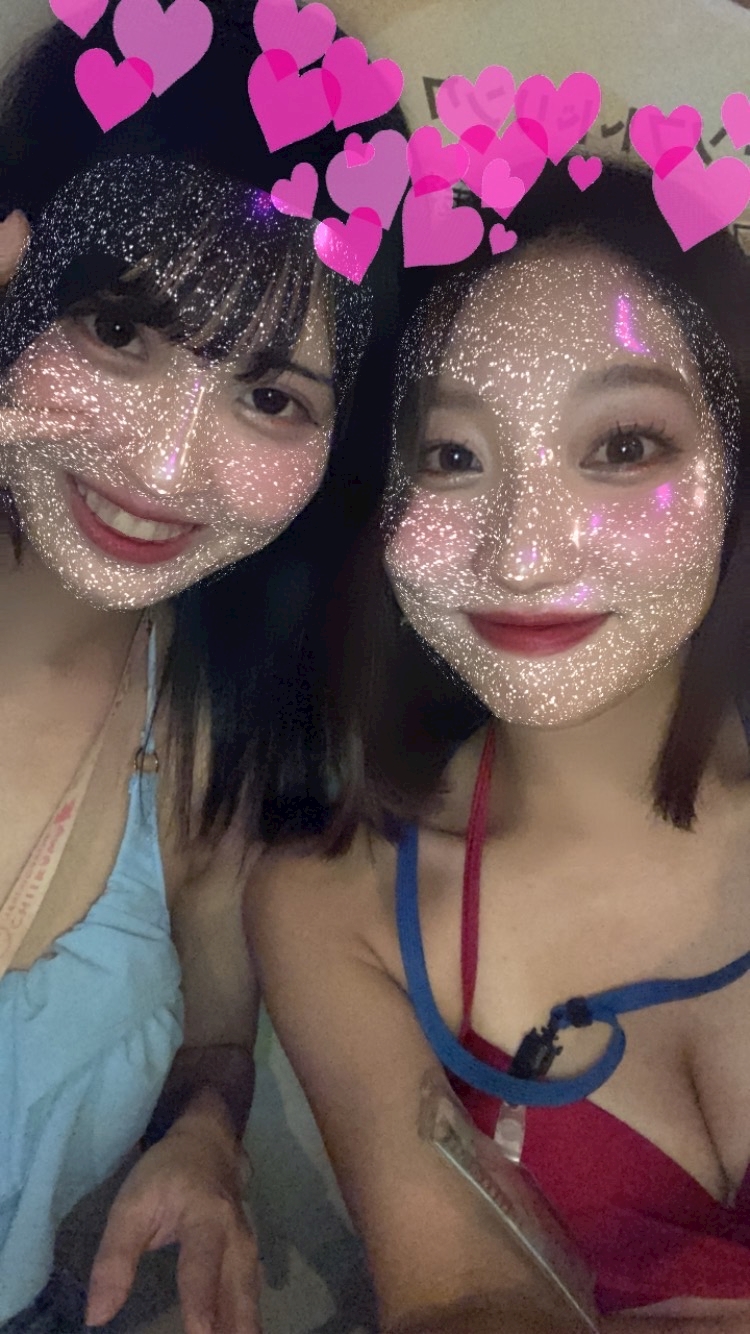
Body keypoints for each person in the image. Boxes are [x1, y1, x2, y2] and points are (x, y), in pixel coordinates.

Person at [248, 161, 750, 1333]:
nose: (521, 554)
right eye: (453, 455)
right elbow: (457, 1296)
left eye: (623, 444)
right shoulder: (335, 906)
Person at [0, 5, 403, 1331]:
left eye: (271, 397)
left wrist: (206, 1135)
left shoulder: (204, 730)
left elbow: (214, 1042)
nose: (166, 468)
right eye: (120, 330)